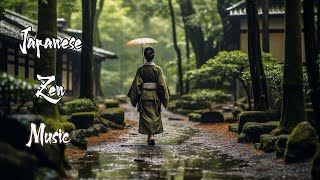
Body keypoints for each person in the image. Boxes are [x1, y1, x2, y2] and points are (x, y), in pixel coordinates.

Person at [127, 47, 170, 145]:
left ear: (144, 56)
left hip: (144, 96)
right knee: (154, 115)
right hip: (155, 97)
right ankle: (152, 135)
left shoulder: (140, 70)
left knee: (146, 115)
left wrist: (135, 98)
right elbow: (162, 85)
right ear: (153, 56)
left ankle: (150, 135)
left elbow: (136, 85)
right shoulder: (158, 69)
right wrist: (164, 98)